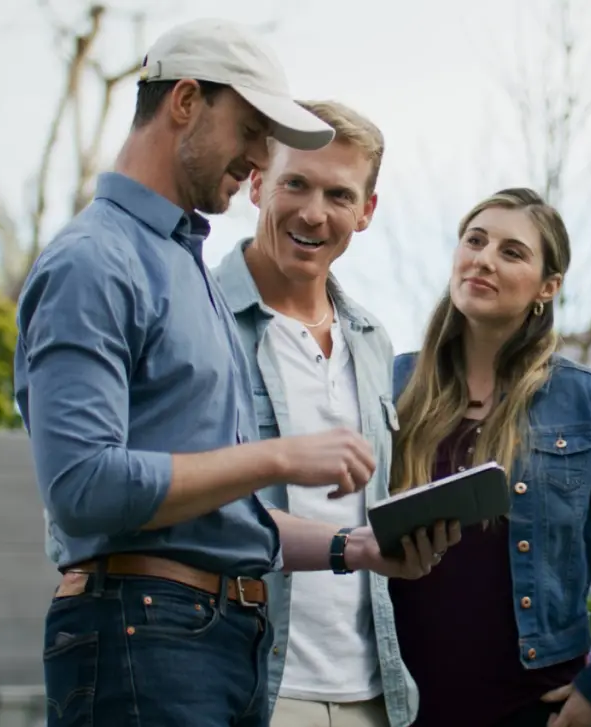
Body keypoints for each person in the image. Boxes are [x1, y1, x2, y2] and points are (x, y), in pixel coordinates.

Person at [18, 18, 447, 727]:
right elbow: (82, 487)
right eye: (250, 131)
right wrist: (278, 455)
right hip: (142, 635)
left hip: (214, 643)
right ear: (185, 101)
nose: (256, 159)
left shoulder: (181, 268)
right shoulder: (93, 261)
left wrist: (352, 547)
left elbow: (213, 517)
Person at [388, 188, 591, 727]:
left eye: (512, 251)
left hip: (531, 707)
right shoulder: (389, 387)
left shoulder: (586, 402)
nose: (483, 258)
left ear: (547, 288)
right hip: (397, 700)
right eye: (474, 241)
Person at [214, 100, 452, 727]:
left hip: (371, 691)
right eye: (296, 183)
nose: (314, 213)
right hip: (250, 683)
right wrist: (351, 546)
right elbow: (195, 504)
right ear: (259, 182)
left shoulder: (372, 340)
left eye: (339, 194)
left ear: (366, 211)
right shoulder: (200, 318)